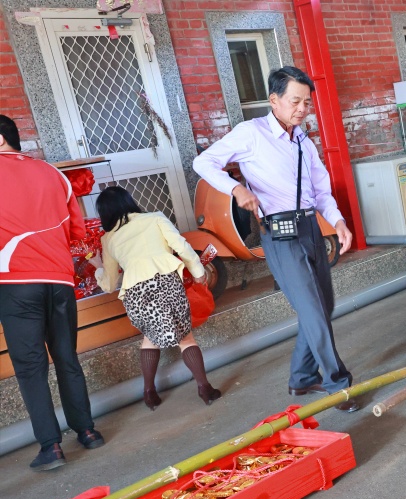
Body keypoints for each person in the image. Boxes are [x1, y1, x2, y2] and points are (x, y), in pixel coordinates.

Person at [193, 65, 359, 412]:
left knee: (322, 307)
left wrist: (339, 223)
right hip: (280, 234)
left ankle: (301, 378)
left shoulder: (302, 139)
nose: (302, 109)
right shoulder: (250, 133)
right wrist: (236, 188)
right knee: (312, 310)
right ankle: (337, 384)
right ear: (274, 100)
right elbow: (204, 163)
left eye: (306, 103)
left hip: (311, 228)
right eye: (295, 101)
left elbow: (321, 191)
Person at [0, 114, 104, 471]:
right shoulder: (53, 174)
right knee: (66, 357)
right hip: (60, 280)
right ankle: (88, 431)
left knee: (30, 368)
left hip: (14, 283)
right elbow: (76, 231)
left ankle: (51, 447)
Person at [92, 186, 222, 410]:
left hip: (135, 294)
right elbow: (181, 246)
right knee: (185, 338)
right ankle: (204, 388)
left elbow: (110, 283)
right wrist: (199, 272)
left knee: (150, 338)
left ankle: (149, 392)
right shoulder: (154, 218)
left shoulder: (109, 238)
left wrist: (97, 267)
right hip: (165, 282)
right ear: (129, 201)